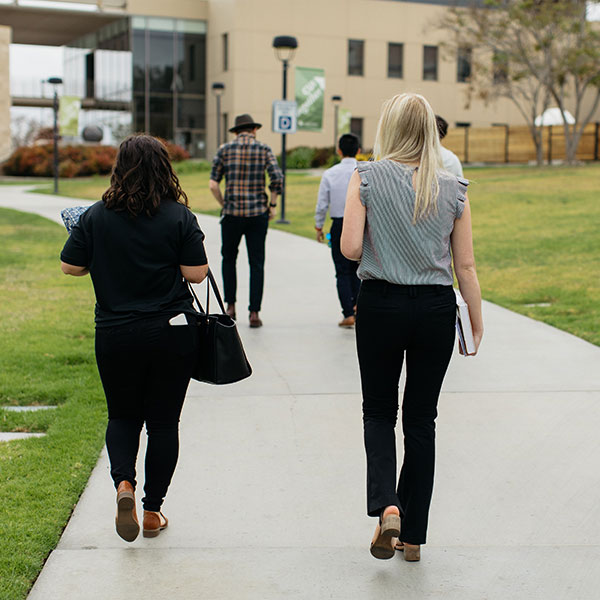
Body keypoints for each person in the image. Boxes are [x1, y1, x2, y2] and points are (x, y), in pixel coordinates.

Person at [341, 94, 483, 562]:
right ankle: (414, 537)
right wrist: (476, 321)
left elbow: (351, 248)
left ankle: (387, 507)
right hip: (435, 310)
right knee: (422, 419)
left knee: (379, 412)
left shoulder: (365, 176)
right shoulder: (453, 187)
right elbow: (466, 265)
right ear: (428, 131)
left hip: (381, 304)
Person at [60, 135, 209, 542]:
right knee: (163, 423)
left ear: (118, 167)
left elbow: (70, 267)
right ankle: (152, 510)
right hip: (171, 333)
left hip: (115, 333)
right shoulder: (179, 216)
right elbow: (197, 274)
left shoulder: (95, 216)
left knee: (122, 415)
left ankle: (123, 485)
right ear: (164, 168)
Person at [209, 113, 283, 328]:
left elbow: (213, 184)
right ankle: (254, 313)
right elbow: (277, 178)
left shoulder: (224, 150)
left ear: (236, 131)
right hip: (257, 214)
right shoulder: (264, 149)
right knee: (256, 263)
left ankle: (230, 306)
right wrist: (273, 205)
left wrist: (223, 203)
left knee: (229, 259)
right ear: (254, 130)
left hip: (232, 214)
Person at [314, 133, 362, 328]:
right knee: (359, 270)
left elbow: (322, 204)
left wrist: (319, 226)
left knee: (342, 271)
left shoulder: (330, 173)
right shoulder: (364, 171)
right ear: (359, 151)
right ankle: (359, 305)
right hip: (361, 224)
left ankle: (348, 312)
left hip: (339, 225)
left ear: (339, 150)